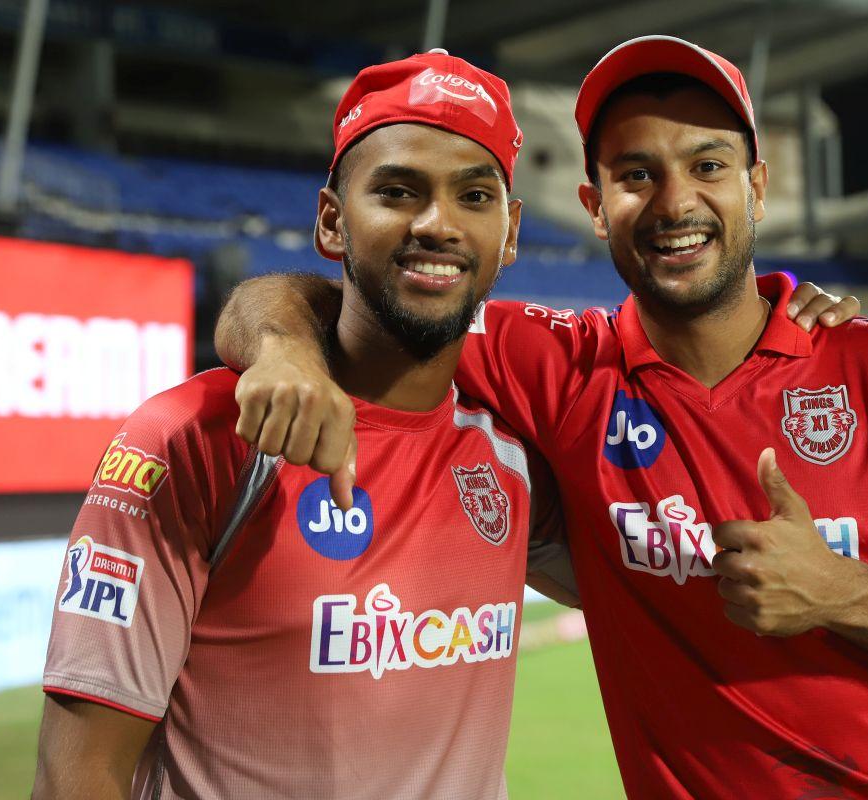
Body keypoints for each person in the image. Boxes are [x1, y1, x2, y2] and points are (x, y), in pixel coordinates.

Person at [215, 36, 868, 799]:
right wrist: (285, 353)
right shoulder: (553, 364)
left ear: (757, 186)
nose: (674, 202)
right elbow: (311, 300)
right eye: (636, 175)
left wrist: (852, 595)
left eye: (707, 165)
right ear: (593, 205)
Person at [34, 51, 580, 800]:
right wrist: (280, 338)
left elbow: (656, 585)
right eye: (396, 191)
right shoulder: (190, 439)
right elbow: (79, 776)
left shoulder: (512, 462)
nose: (437, 224)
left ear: (510, 233)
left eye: (474, 196)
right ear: (331, 219)